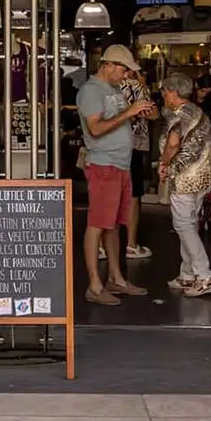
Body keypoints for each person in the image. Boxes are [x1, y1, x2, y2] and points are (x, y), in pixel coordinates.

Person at [77, 44, 156, 306]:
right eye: (124, 70)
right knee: (97, 224)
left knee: (113, 224)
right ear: (108, 65)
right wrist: (129, 112)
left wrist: (135, 114)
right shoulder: (91, 90)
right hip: (103, 164)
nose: (126, 75)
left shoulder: (113, 89)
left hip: (121, 164)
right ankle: (95, 285)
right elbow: (96, 129)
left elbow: (117, 120)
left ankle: (116, 278)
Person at [158, 72, 211, 297]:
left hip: (184, 177)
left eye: (165, 91)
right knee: (190, 224)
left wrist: (163, 163)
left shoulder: (178, 116)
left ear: (174, 93)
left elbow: (173, 144)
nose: (163, 95)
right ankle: (188, 274)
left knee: (183, 225)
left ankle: (204, 276)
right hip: (203, 175)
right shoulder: (196, 110)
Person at [120, 67, 154, 260]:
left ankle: (101, 246)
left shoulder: (101, 87)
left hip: (107, 147)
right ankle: (131, 245)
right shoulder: (136, 86)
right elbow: (152, 113)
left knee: (109, 196)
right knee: (133, 196)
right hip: (133, 144)